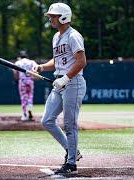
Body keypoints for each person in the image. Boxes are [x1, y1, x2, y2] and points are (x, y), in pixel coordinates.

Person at [33, 3, 87, 175]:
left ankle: (71, 164)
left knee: (70, 124)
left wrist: (66, 78)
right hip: (59, 83)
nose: (50, 18)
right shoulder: (56, 37)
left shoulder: (74, 36)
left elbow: (81, 61)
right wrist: (41, 67)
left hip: (73, 83)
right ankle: (72, 152)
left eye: (53, 16)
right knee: (47, 120)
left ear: (64, 17)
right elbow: (57, 61)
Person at [13, 50, 38, 121]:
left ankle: (24, 115)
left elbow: (15, 73)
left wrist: (16, 80)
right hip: (30, 80)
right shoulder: (31, 61)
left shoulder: (18, 62)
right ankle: (29, 107)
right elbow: (36, 69)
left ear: (19, 56)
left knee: (23, 97)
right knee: (30, 96)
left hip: (22, 81)